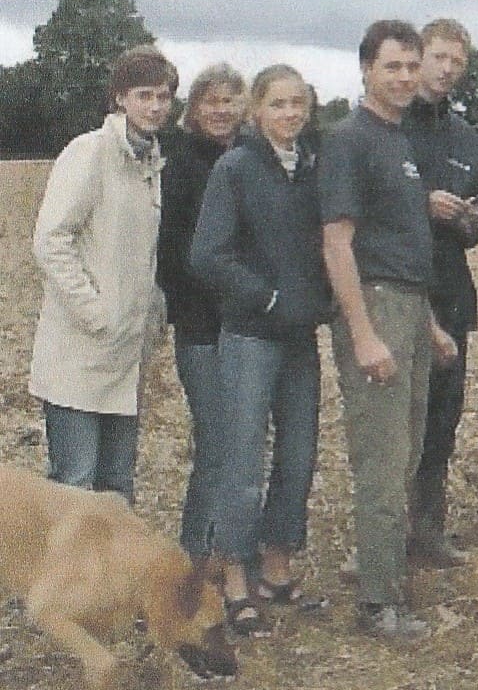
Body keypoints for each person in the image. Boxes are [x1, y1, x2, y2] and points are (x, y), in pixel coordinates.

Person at [320, 20, 456, 641]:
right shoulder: (349, 140)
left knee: (405, 458)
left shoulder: (397, 142)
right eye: (392, 68)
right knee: (380, 465)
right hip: (373, 311)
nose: (404, 78)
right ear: (366, 71)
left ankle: (388, 579)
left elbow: (401, 247)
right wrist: (364, 334)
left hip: (406, 309)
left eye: (411, 67)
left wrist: (427, 327)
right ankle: (378, 605)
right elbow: (339, 243)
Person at [191, 65, 330, 635]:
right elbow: (208, 255)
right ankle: (234, 581)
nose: (290, 114)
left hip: (300, 339)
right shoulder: (237, 168)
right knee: (242, 460)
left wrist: (320, 301)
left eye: (298, 103)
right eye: (278, 104)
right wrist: (267, 298)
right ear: (257, 111)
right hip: (251, 335)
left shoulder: (313, 169)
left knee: (297, 456)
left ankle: (277, 568)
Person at [29, 45, 179, 502]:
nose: (155, 106)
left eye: (164, 96)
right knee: (74, 489)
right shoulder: (89, 152)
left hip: (123, 357)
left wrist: (148, 316)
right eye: (144, 94)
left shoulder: (151, 162)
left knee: (116, 492)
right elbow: (51, 241)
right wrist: (96, 313)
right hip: (78, 354)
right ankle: (67, 578)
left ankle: (113, 578)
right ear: (119, 98)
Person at [402, 18, 478, 567]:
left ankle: (429, 531)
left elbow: (476, 224)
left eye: (457, 61)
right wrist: (421, 205)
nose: (447, 69)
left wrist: (470, 221)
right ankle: (384, 538)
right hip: (398, 291)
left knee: (441, 419)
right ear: (419, 56)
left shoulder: (468, 140)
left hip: (451, 292)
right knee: (396, 424)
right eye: (438, 57)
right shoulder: (388, 126)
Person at [157, 63, 247, 559]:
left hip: (248, 327)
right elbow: (172, 254)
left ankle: (230, 552)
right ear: (193, 110)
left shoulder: (251, 159)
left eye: (230, 100)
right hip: (201, 328)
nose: (220, 110)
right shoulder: (181, 165)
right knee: (216, 442)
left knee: (242, 443)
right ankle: (195, 552)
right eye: (210, 102)